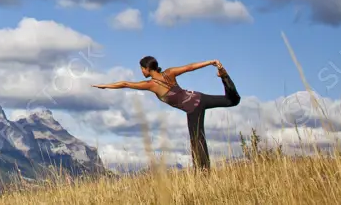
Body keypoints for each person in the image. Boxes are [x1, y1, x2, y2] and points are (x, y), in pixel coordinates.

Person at [92, 56, 240, 170]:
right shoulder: (169, 73)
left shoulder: (152, 85)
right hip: (198, 97)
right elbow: (190, 67)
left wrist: (105, 86)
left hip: (193, 108)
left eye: (141, 69)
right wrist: (210, 62)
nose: (141, 72)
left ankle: (202, 172)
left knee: (197, 140)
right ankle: (224, 76)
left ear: (147, 69)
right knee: (232, 100)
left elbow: (125, 84)